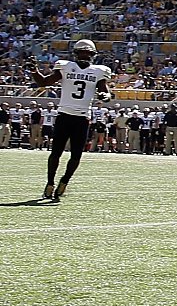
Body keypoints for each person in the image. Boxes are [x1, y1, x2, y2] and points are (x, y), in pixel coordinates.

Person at [31, 39, 117, 203]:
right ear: (76, 53)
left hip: (82, 118)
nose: (85, 55)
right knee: (55, 153)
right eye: (82, 52)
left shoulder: (99, 71)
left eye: (88, 53)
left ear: (92, 55)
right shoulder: (65, 66)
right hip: (64, 114)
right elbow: (44, 82)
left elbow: (105, 91)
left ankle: (65, 180)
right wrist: (34, 71)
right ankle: (50, 182)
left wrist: (106, 96)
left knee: (76, 155)